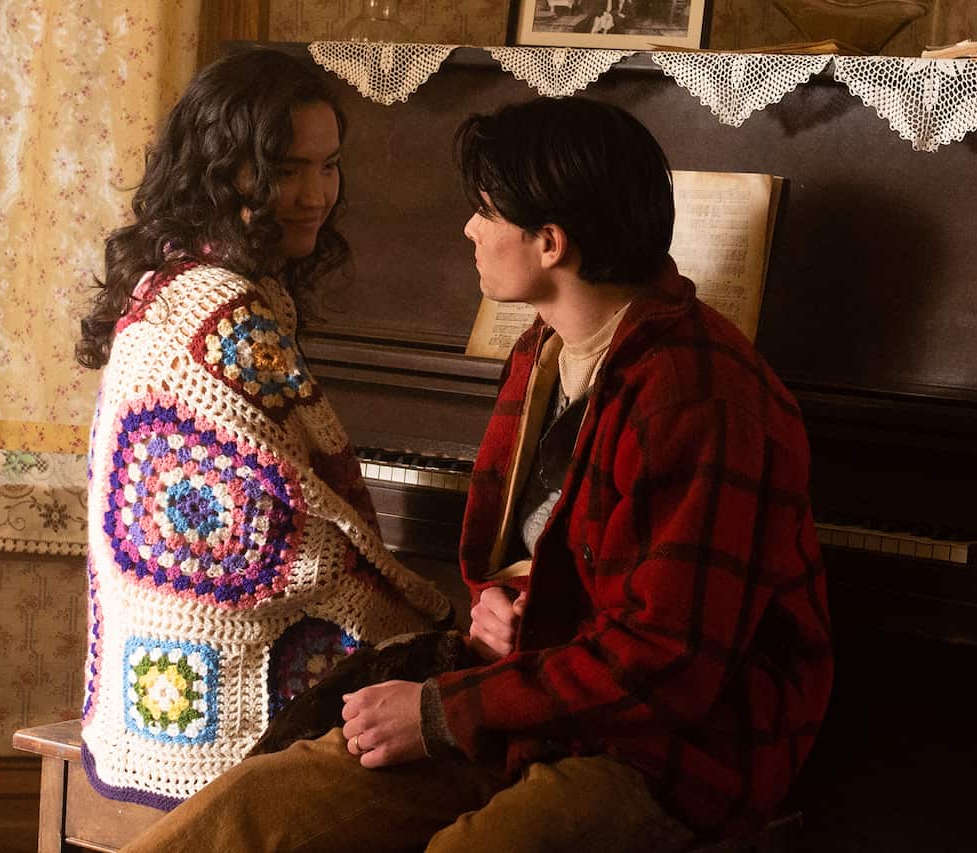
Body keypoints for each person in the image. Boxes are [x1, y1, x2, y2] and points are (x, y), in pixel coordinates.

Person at [120, 96, 833, 851]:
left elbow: (666, 665)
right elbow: (549, 551)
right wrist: (502, 602)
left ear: (550, 242)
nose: (469, 229)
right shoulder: (543, 348)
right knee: (249, 810)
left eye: (486, 211)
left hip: (665, 752)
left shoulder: (699, 396)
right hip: (527, 706)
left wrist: (439, 711)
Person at [73, 47, 450, 812]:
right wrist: (436, 620)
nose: (315, 194)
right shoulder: (228, 314)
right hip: (225, 719)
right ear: (220, 169)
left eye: (329, 165)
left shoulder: (172, 279)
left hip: (137, 698)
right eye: (283, 169)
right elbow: (317, 535)